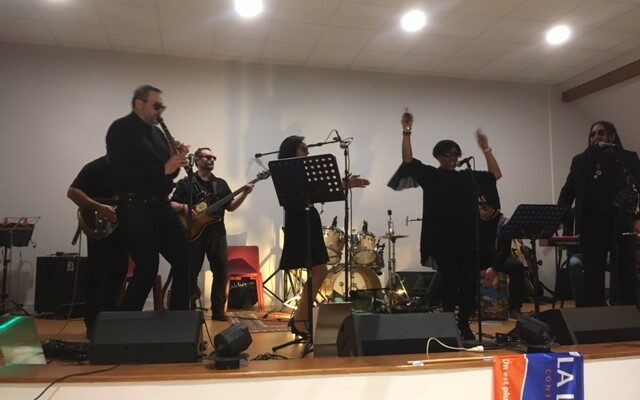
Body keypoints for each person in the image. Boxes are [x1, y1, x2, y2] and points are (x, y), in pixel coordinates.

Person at [388, 111, 502, 341]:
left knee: (469, 283)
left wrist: (486, 148)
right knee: (450, 282)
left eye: (456, 154)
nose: (452, 158)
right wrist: (407, 131)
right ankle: (449, 323)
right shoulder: (431, 175)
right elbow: (408, 161)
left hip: (468, 239)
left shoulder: (467, 177)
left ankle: (464, 324)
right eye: (448, 154)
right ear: (439, 157)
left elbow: (495, 175)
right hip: (443, 240)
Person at [106, 84, 192, 311]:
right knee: (147, 268)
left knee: (186, 259)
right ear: (139, 104)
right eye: (156, 106)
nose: (160, 112)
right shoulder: (120, 129)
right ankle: (125, 323)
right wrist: (164, 168)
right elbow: (122, 172)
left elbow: (167, 175)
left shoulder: (158, 134)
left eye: (163, 107)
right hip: (135, 207)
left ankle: (178, 320)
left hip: (160, 205)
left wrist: (175, 162)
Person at [277, 135, 369, 336]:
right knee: (319, 270)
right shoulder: (286, 173)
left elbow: (320, 189)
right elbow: (302, 194)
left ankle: (300, 317)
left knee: (319, 270)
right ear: (291, 150)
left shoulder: (303, 171)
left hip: (308, 218)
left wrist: (346, 184)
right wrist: (345, 183)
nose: (307, 152)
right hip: (299, 220)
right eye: (303, 148)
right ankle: (300, 318)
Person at [558, 121, 640, 307]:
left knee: (625, 271)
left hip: (621, 223)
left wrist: (638, 218)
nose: (596, 137)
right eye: (592, 134)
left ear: (612, 136)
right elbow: (568, 191)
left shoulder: (627, 158)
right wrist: (557, 217)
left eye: (601, 133)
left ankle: (626, 312)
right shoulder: (580, 161)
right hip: (591, 225)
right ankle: (594, 313)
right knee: (593, 273)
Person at [170, 147, 254, 321]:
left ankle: (218, 311)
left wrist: (245, 194)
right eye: (207, 157)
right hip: (194, 234)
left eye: (213, 157)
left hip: (217, 233)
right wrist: (184, 207)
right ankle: (190, 309)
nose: (211, 159)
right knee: (191, 272)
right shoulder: (186, 183)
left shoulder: (221, 184)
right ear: (197, 160)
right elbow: (171, 204)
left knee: (221, 271)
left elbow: (231, 207)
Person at [67, 156, 129, 338]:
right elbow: (72, 192)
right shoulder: (95, 167)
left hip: (122, 228)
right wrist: (99, 207)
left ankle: (111, 321)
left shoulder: (130, 167)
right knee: (98, 274)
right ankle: (93, 324)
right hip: (100, 228)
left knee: (118, 273)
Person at [479, 204, 526, 320]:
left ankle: (514, 308)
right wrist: (479, 267)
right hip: (479, 258)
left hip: (498, 258)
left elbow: (504, 251)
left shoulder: (504, 221)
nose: (483, 206)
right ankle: (469, 308)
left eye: (486, 203)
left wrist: (494, 268)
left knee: (517, 267)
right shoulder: (473, 219)